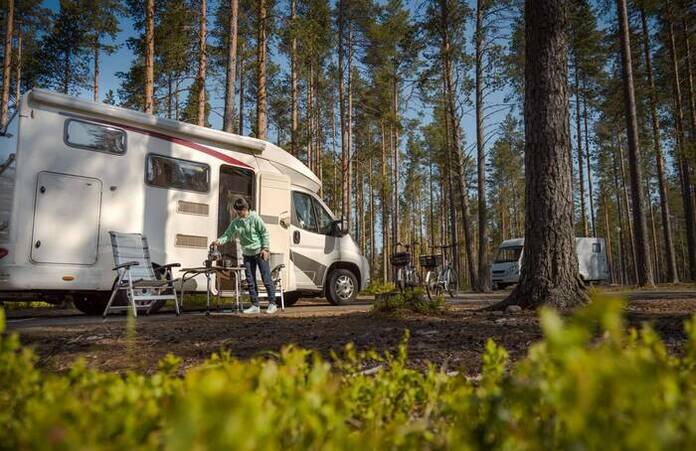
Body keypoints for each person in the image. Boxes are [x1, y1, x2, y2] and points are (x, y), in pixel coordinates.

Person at [211, 197, 277, 314]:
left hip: (260, 252)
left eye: (240, 210)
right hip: (247, 254)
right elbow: (228, 235)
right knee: (250, 280)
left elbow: (264, 233)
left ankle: (272, 303)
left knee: (266, 278)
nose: (238, 213)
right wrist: (218, 241)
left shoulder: (255, 218)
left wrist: (265, 248)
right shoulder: (236, 222)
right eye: (237, 211)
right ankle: (255, 305)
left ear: (246, 208)